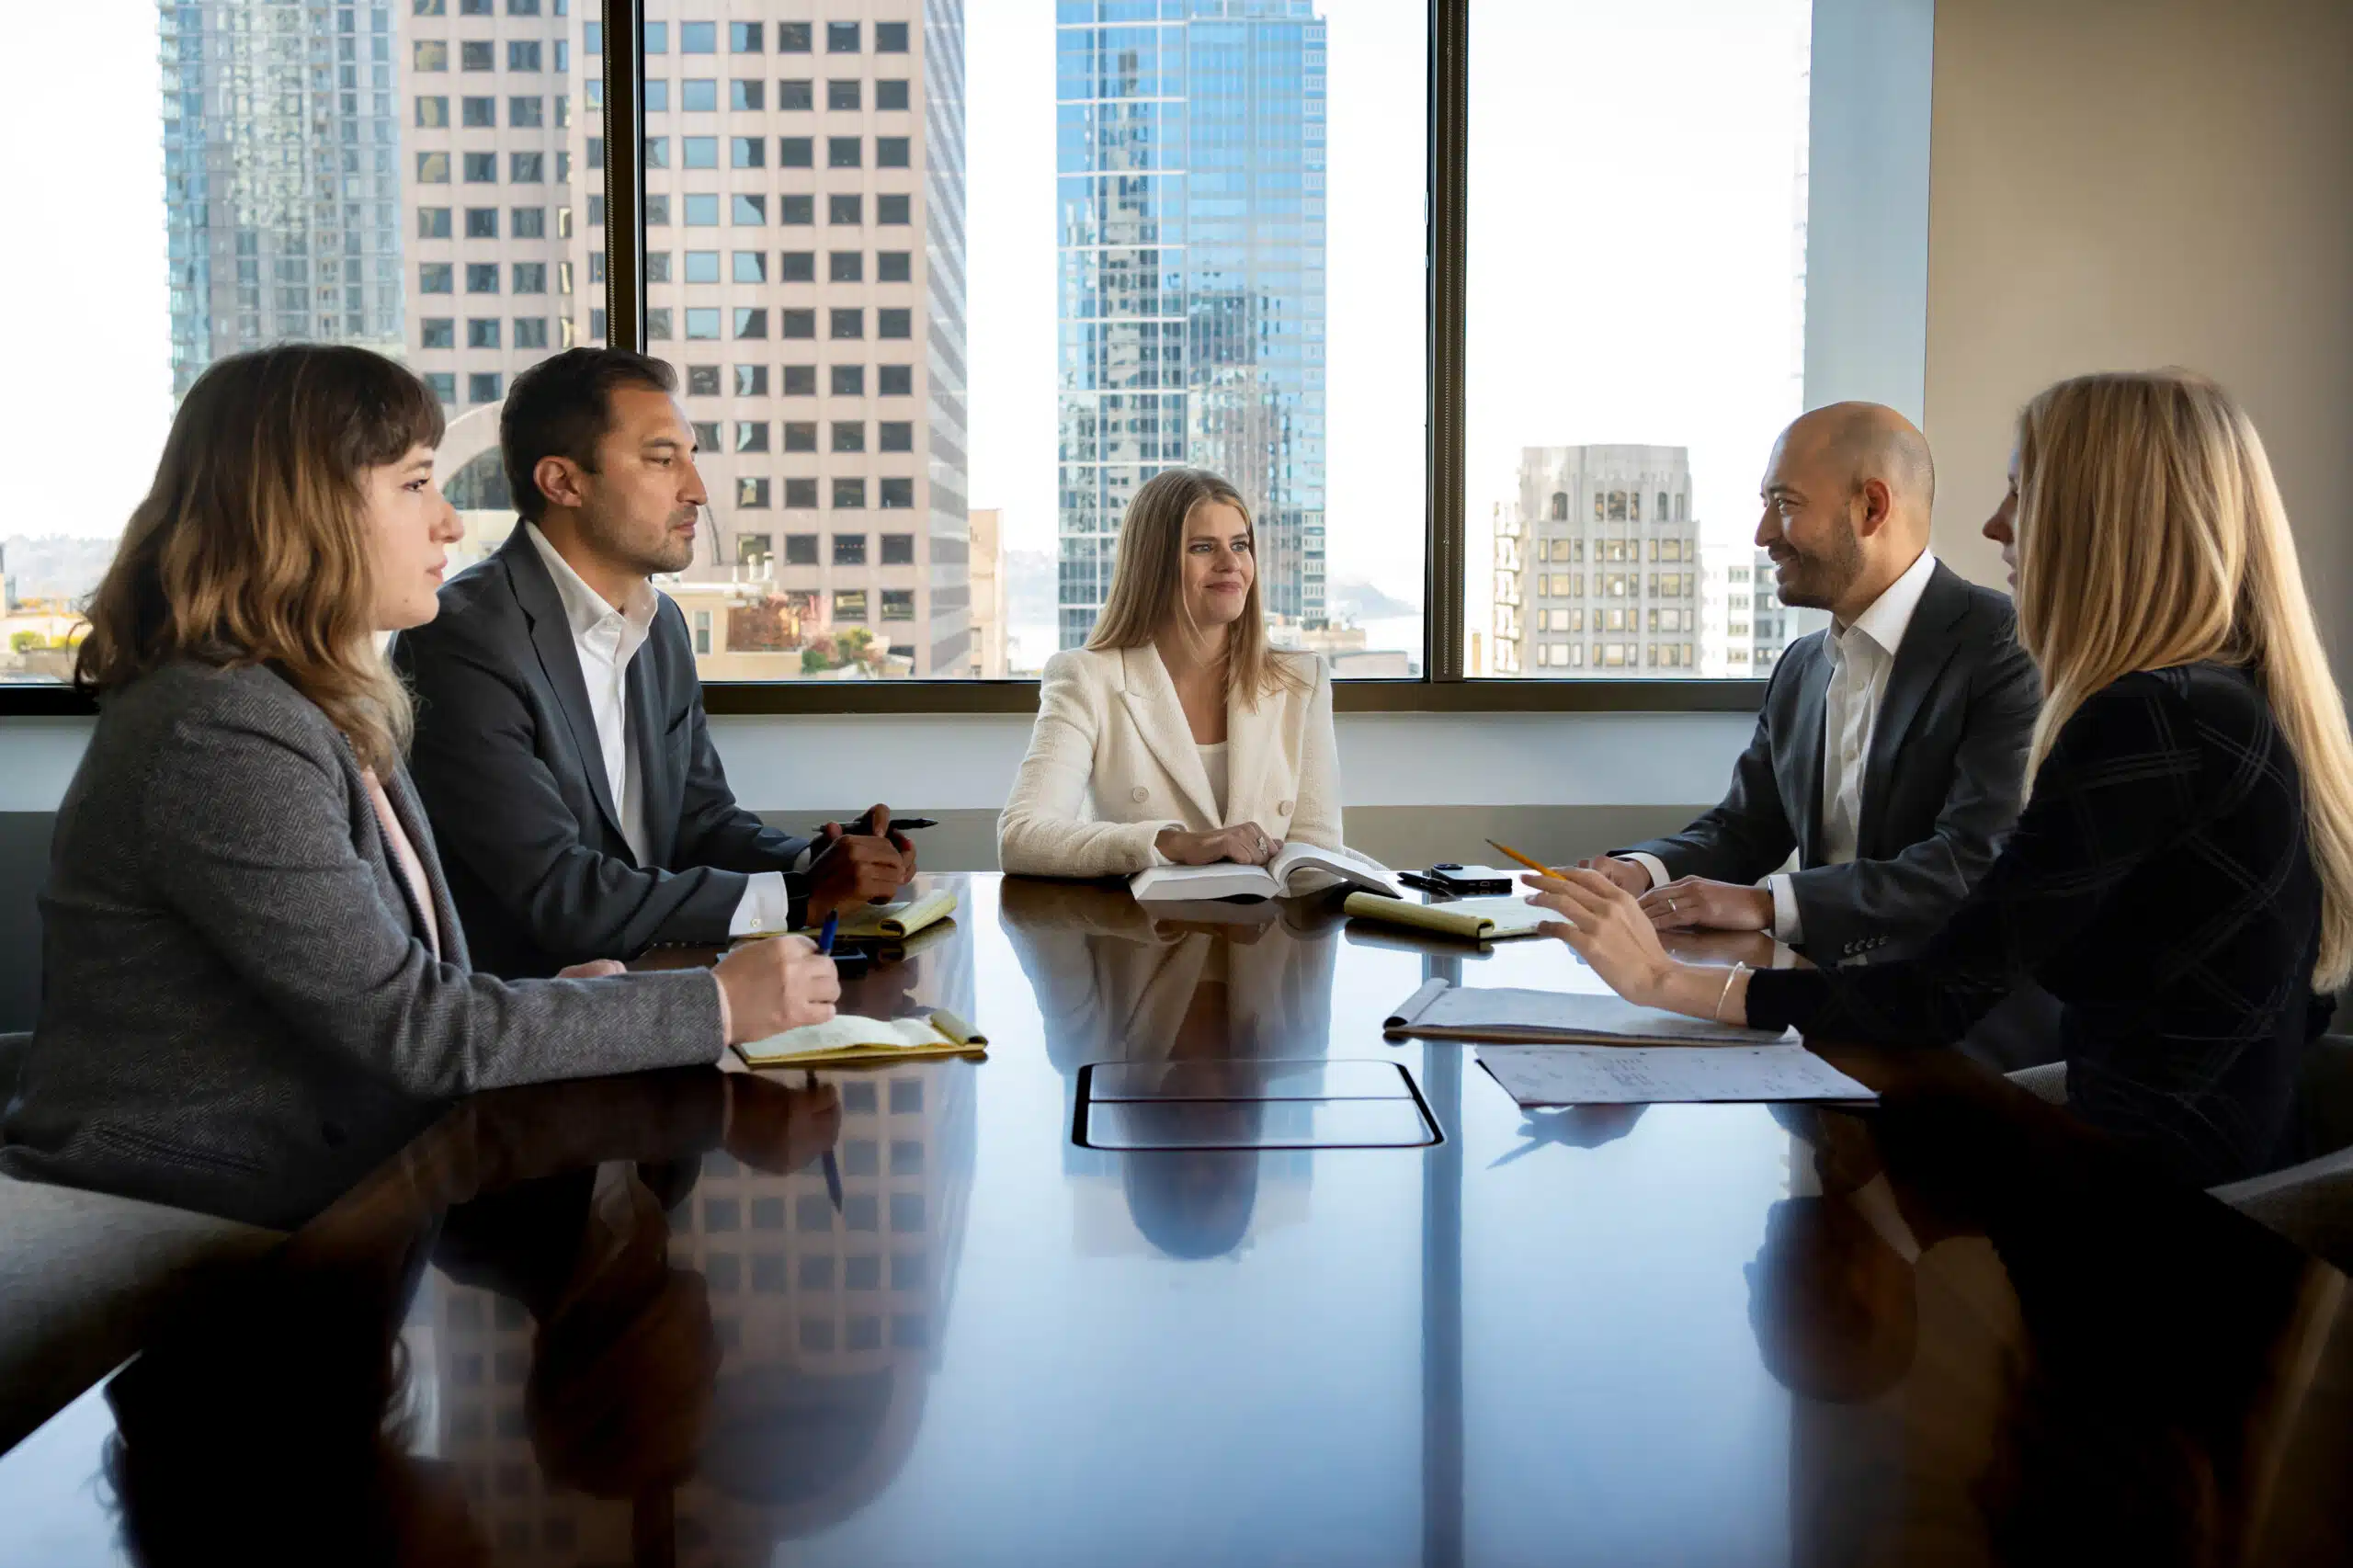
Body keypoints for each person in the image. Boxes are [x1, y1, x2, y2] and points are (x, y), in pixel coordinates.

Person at [0, 346, 840, 1224]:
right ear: (305, 511)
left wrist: (585, 1000)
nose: (449, 523)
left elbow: (406, 990)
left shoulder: (318, 700)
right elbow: (418, 1030)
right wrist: (713, 1004)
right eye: (414, 485)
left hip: (340, 1182)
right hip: (194, 1216)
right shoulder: (217, 731)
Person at [1530, 370, 2353, 1187]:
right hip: (2136, 1151)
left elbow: (1942, 991)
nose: (1995, 522)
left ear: (2106, 521)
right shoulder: (2211, 702)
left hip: (2141, 1228)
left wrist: (1663, 980)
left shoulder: (2152, 717)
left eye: (2022, 491)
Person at [393, 347, 914, 979]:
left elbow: (702, 823)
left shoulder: (660, 625)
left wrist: (821, 861)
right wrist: (802, 899)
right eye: (663, 460)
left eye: (691, 460)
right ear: (563, 482)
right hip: (535, 1027)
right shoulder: (462, 638)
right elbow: (561, 895)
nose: (696, 491)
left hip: (663, 985)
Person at [1585, 403, 2040, 964]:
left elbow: (1971, 860)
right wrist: (1640, 871)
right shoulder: (1802, 666)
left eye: (1785, 505)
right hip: (1818, 996)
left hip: (1950, 1019)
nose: (1763, 534)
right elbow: (1746, 829)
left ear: (1871, 507)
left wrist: (1767, 905)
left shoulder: (2008, 649)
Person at [998, 467, 1341, 879]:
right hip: (1140, 935)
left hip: (1269, 936)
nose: (1231, 563)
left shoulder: (1301, 679)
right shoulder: (1086, 677)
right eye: (1202, 547)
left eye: (1240, 544)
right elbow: (1022, 837)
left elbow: (1317, 857)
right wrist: (1173, 843)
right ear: (1153, 563)